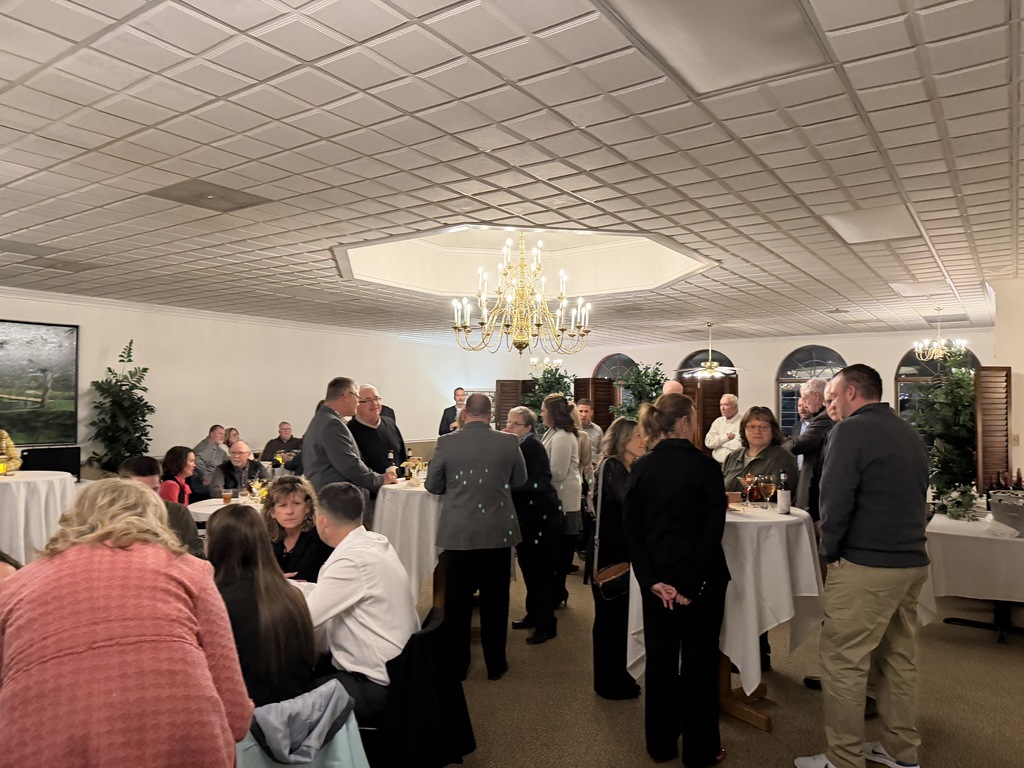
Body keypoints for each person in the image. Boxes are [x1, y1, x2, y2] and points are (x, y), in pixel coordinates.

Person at [0, 478, 252, 766]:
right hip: (182, 744)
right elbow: (235, 715)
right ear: (155, 517)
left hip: (37, 747)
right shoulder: (190, 571)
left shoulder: (14, 587)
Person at [795, 365, 930, 768]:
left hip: (866, 563)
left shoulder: (849, 431)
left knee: (843, 662)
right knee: (897, 659)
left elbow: (834, 501)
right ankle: (901, 752)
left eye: (834, 397)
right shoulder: (908, 431)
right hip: (911, 561)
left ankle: (843, 759)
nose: (830, 405)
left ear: (853, 392)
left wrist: (829, 553)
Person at [623, 394, 729, 768]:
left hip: (657, 583)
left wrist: (654, 581)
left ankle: (661, 743)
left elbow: (632, 532)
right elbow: (711, 532)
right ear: (684, 422)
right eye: (696, 417)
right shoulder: (705, 467)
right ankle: (701, 750)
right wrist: (692, 585)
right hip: (700, 582)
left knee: (662, 659)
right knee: (699, 663)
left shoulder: (642, 467)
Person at [426, 393, 526, 681]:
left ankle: (458, 665)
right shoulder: (509, 441)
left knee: (457, 604)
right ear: (491, 413)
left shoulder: (447, 442)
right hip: (497, 533)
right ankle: (496, 664)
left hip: (459, 534)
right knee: (497, 601)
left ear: (465, 413)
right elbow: (519, 480)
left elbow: (433, 486)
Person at [305, 482, 419, 728]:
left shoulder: (350, 561)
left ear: (321, 519)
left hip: (374, 685)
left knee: (286, 700)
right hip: (402, 672)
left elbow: (303, 619)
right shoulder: (375, 542)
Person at [207, 503, 316, 707]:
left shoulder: (218, 604)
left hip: (252, 721)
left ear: (216, 546)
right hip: (300, 714)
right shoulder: (292, 595)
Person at [590, 417, 645, 700]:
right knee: (611, 622)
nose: (642, 440)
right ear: (623, 439)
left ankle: (617, 677)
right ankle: (609, 682)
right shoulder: (612, 466)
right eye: (637, 436)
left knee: (617, 621)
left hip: (618, 551)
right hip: (610, 556)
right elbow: (632, 503)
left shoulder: (626, 467)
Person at [504, 406, 562, 645]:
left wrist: (504, 486)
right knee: (531, 568)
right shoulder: (521, 445)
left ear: (528, 427)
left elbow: (530, 484)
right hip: (531, 517)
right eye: (508, 422)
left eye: (515, 424)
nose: (508, 427)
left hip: (541, 518)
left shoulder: (531, 447)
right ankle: (534, 614)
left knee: (541, 572)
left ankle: (547, 624)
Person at [303, 377, 398, 497]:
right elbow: (349, 465)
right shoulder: (331, 424)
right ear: (346, 396)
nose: (358, 402)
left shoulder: (324, 418)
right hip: (336, 498)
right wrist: (379, 480)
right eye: (357, 397)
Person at [540, 394, 582, 606]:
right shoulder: (553, 432)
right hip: (556, 498)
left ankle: (558, 592)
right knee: (553, 551)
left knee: (561, 551)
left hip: (564, 499)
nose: (540, 413)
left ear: (552, 412)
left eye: (543, 410)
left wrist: (535, 471)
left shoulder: (564, 436)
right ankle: (555, 592)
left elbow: (557, 471)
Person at [119, 455, 204, 557]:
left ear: (161, 485)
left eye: (154, 490)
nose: (149, 496)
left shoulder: (177, 512)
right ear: (123, 488)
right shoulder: (112, 516)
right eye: (141, 490)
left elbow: (195, 551)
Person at [262, 475, 334, 583]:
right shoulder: (269, 539)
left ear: (307, 507)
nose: (290, 511)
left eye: (296, 503)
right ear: (272, 512)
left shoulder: (320, 538)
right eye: (282, 505)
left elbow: (305, 578)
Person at [721, 406, 800, 497]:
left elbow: (781, 493)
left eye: (763, 427)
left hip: (767, 511)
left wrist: (741, 497)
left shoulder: (783, 457)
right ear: (744, 430)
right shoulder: (733, 457)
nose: (757, 431)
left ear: (773, 430)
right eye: (752, 427)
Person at [786, 379, 834, 510]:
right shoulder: (821, 416)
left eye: (806, 400)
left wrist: (780, 441)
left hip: (818, 480)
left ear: (816, 396)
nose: (805, 405)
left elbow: (798, 446)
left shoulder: (825, 417)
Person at [347, 384, 408, 479]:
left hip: (397, 486)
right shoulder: (350, 430)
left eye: (376, 399)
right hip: (369, 488)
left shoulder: (389, 423)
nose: (374, 403)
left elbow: (402, 455)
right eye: (368, 400)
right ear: (357, 404)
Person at [705, 394, 742, 464]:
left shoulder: (743, 422)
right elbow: (709, 442)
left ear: (735, 406)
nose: (722, 408)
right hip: (716, 463)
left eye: (726, 405)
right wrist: (726, 437)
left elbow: (739, 445)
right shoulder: (718, 422)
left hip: (735, 464)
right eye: (721, 405)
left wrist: (719, 443)